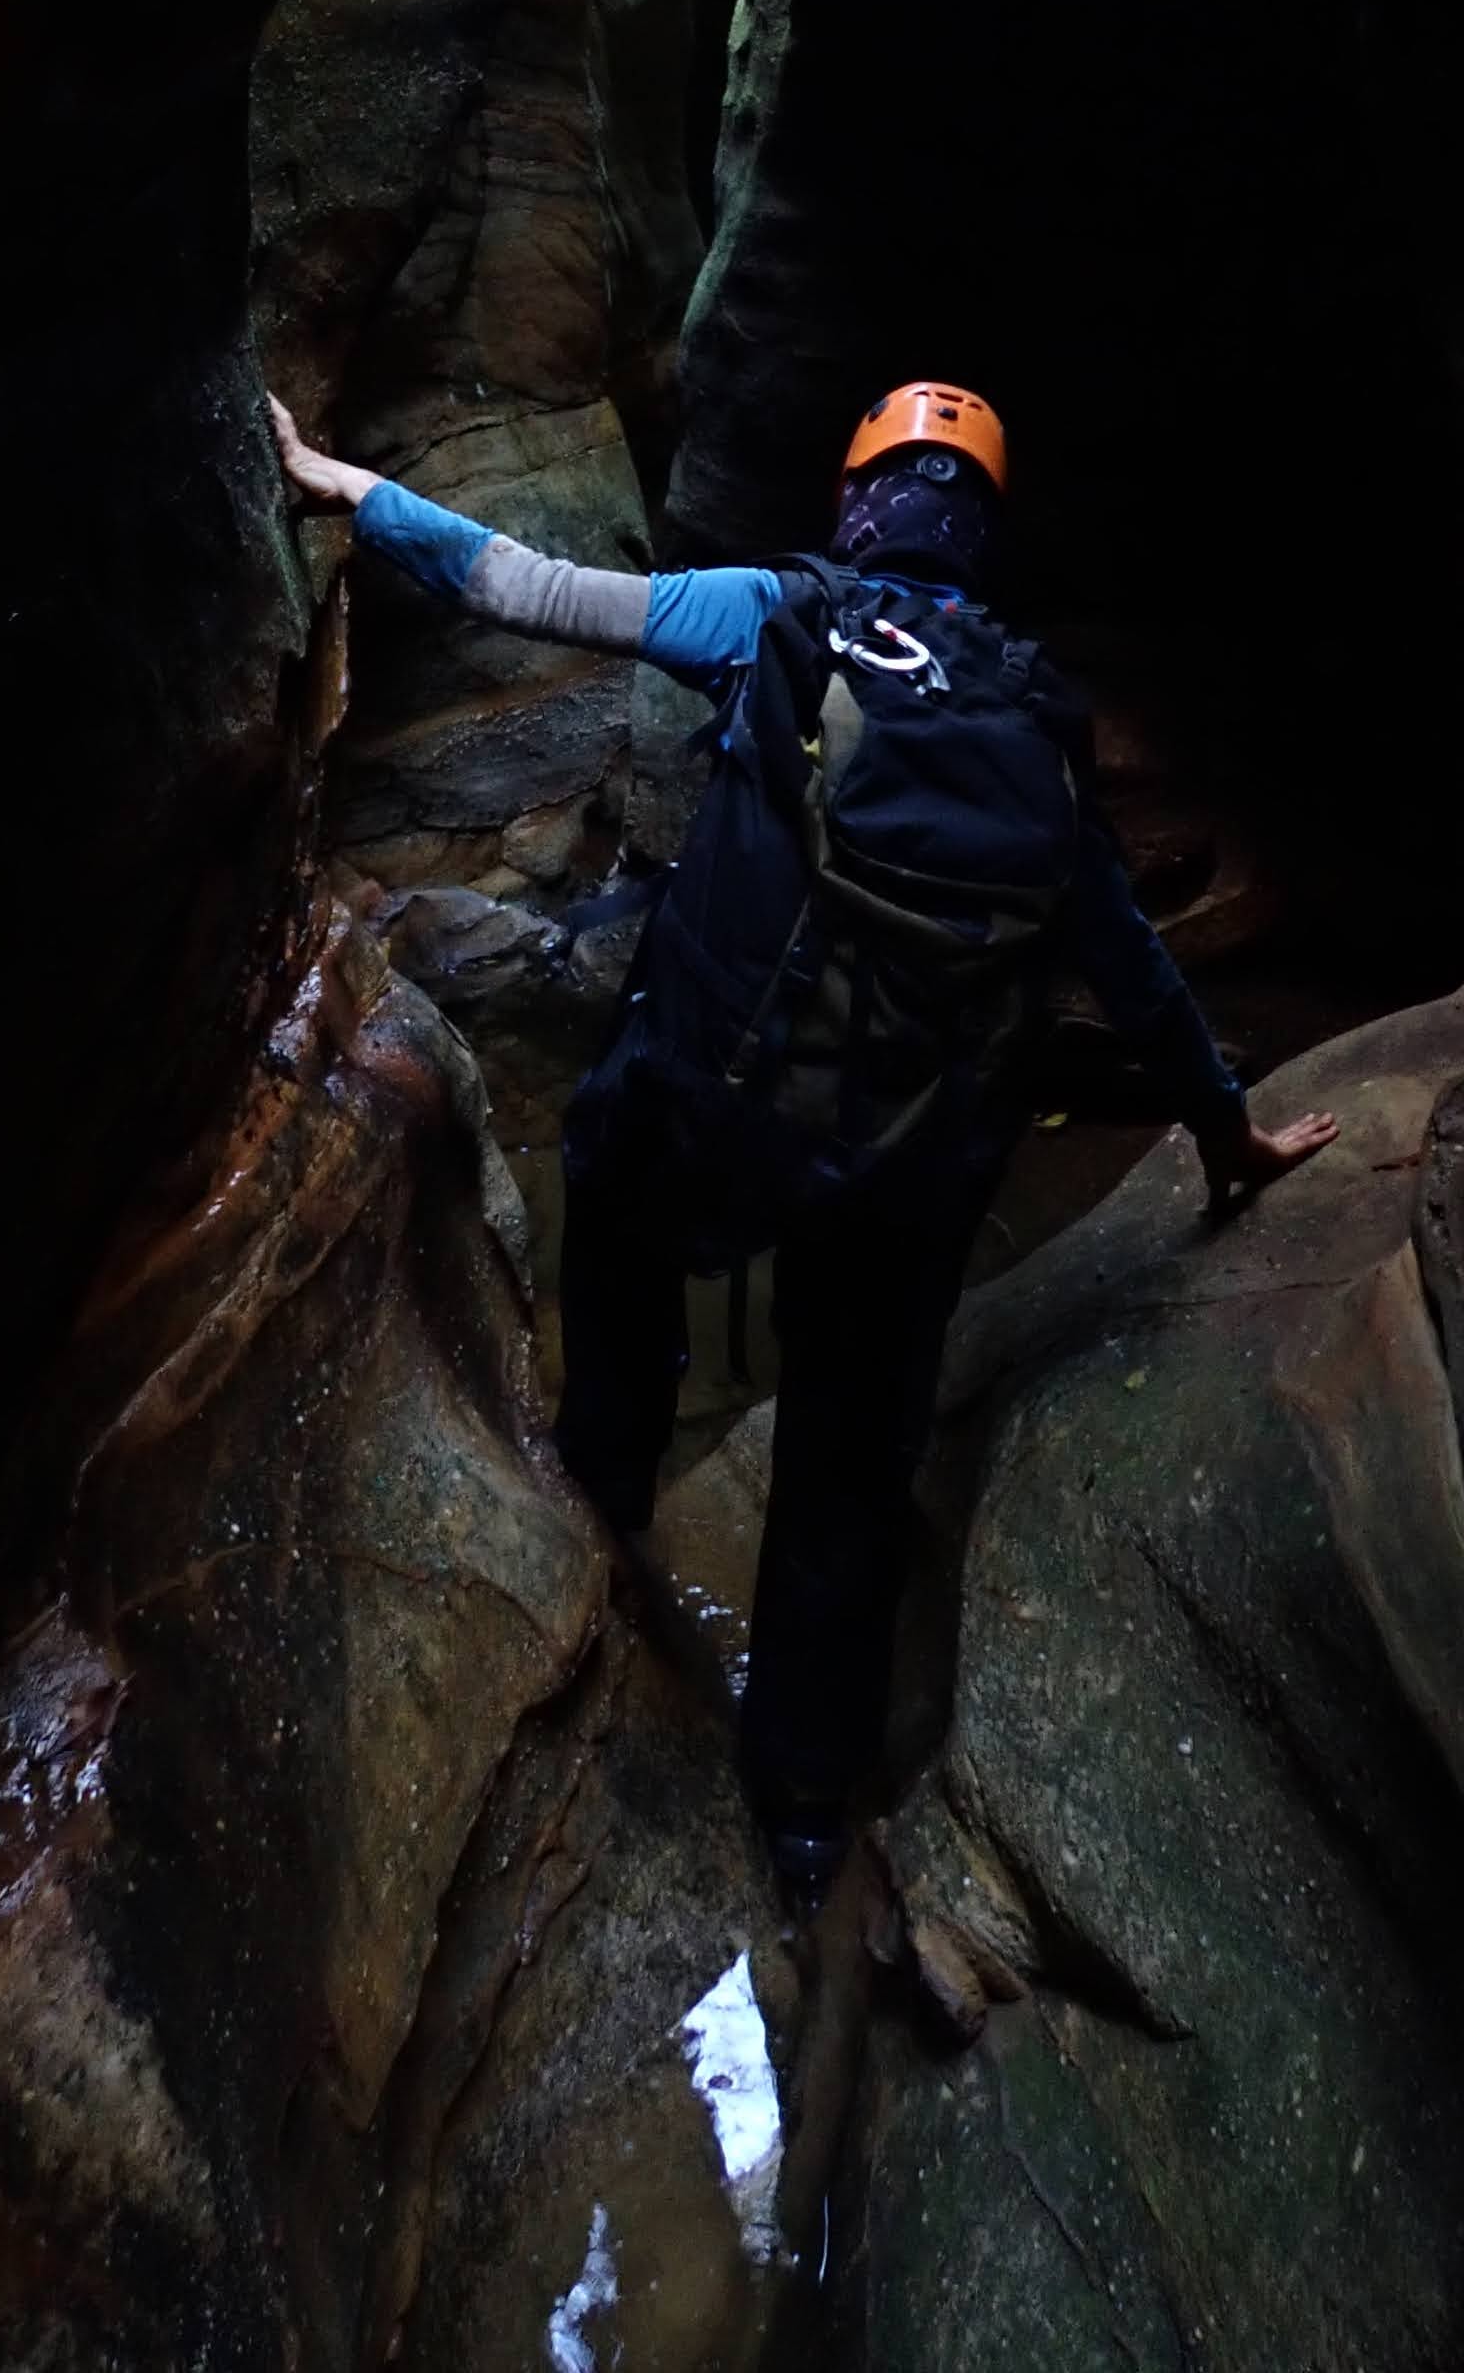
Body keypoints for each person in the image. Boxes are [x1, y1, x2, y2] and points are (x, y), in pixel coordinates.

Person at [268, 377, 1336, 1902]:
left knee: (612, 1176)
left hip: (712, 1117)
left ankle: (604, 1505)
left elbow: (526, 587)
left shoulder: (784, 614)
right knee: (847, 1476)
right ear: (985, 540)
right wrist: (1226, 1133)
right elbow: (1126, 962)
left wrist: (343, 483)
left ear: (857, 502)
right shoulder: (1035, 717)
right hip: (906, 1176)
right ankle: (804, 1826)